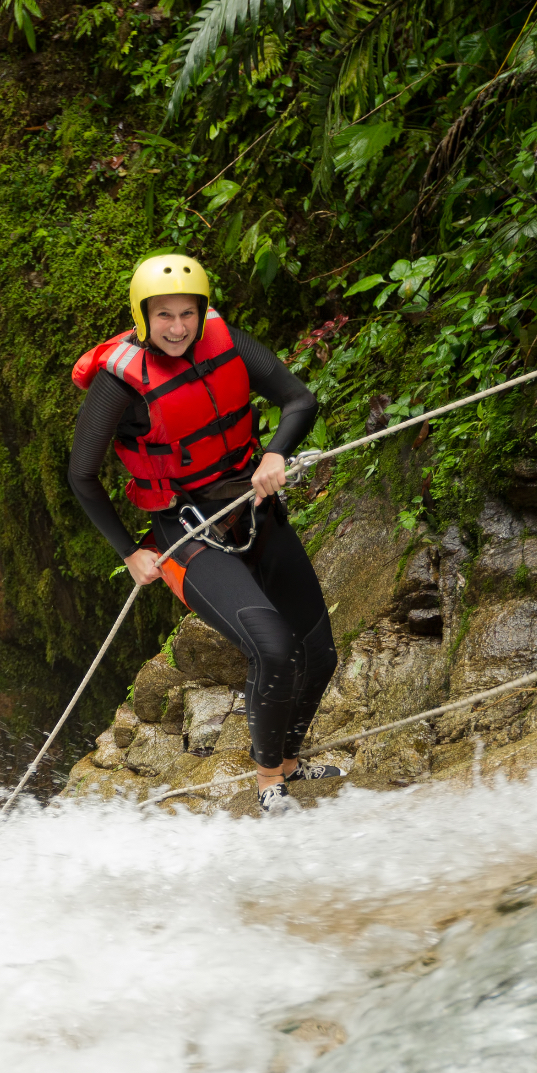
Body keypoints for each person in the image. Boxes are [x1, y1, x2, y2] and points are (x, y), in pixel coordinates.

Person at [68, 253, 341, 816]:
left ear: (202, 311)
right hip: (182, 533)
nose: (177, 327)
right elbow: (82, 475)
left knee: (318, 651)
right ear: (144, 317)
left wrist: (274, 454)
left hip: (252, 508)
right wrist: (130, 554)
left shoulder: (229, 342)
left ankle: (291, 763)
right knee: (275, 647)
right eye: (163, 315)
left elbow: (300, 400)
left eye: (187, 313)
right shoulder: (118, 386)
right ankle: (269, 784)